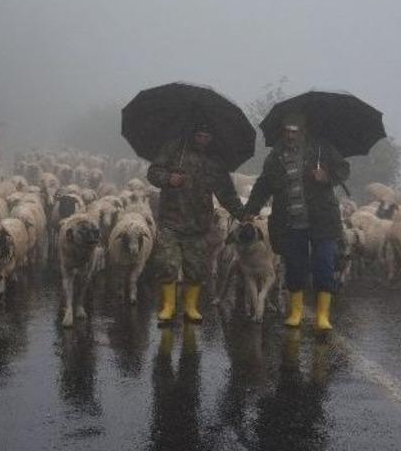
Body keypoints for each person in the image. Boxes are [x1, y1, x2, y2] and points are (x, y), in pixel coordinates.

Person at [243, 113, 350, 331]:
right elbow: (263, 185)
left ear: (303, 131)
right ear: (282, 132)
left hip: (322, 220)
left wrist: (326, 176)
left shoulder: (321, 148)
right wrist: (250, 210)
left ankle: (322, 315)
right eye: (287, 131)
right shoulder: (275, 157)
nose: (291, 135)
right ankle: (296, 312)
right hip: (291, 221)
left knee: (323, 264)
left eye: (295, 131)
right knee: (295, 267)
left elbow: (343, 169)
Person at [147, 120, 245, 325]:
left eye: (207, 137)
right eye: (199, 136)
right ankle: (168, 306)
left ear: (211, 139)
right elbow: (153, 172)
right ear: (193, 134)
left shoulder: (214, 161)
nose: (203, 140)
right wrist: (168, 178)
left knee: (196, 268)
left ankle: (191, 307)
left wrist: (242, 213)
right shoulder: (174, 149)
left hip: (198, 222)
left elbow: (226, 192)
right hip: (171, 218)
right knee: (167, 264)